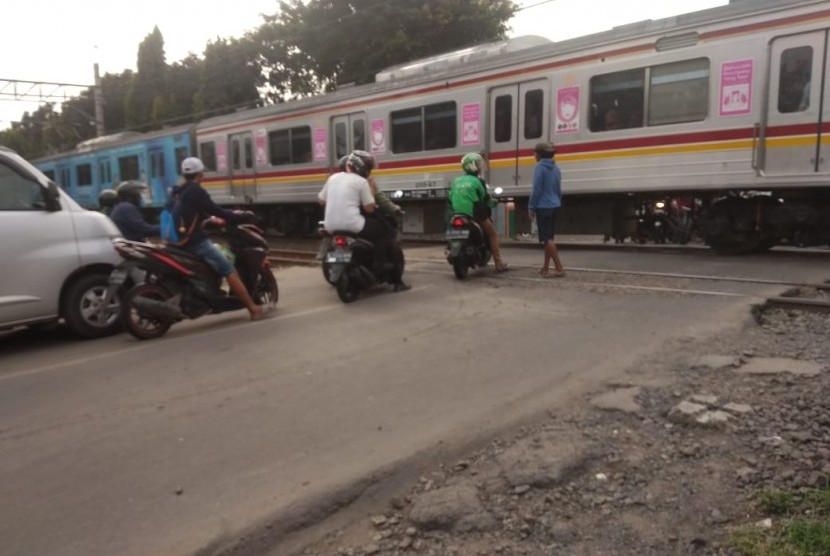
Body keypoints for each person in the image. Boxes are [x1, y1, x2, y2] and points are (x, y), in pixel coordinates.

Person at [174, 157, 274, 320]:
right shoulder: (196, 191)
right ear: (200, 174)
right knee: (229, 269)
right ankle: (253, 309)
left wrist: (209, 219)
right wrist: (241, 217)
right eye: (202, 173)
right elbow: (215, 210)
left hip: (179, 240)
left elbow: (198, 212)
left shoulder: (179, 190)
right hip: (195, 242)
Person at [318, 150, 410, 292]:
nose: (369, 170)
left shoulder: (333, 178)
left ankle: (339, 264)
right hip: (354, 224)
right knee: (384, 232)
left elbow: (321, 201)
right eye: (368, 167)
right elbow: (369, 209)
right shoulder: (362, 182)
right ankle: (387, 271)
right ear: (361, 167)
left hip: (330, 225)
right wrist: (370, 193)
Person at [447, 152, 508, 272]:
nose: (480, 167)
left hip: (456, 214)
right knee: (493, 234)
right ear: (473, 166)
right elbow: (484, 199)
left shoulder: (456, 181)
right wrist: (493, 202)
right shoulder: (478, 182)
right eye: (479, 164)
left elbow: (450, 199)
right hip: (474, 215)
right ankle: (498, 264)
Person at [529, 142, 565, 278]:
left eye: (535, 153)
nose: (534, 156)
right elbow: (558, 188)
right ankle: (545, 267)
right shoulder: (556, 167)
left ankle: (559, 268)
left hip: (543, 207)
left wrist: (531, 207)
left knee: (547, 239)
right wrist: (558, 201)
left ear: (538, 155)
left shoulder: (540, 167)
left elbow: (536, 190)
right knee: (548, 239)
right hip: (555, 205)